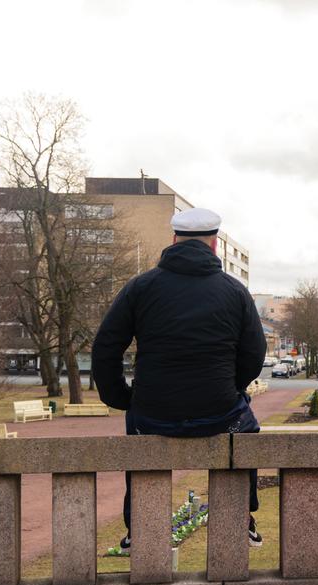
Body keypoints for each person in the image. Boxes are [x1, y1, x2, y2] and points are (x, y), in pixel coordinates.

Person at [92, 207, 266, 554]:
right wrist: (232, 388)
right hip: (221, 413)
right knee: (244, 429)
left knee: (139, 440)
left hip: (152, 414)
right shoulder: (235, 291)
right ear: (214, 245)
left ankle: (138, 528)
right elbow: (255, 353)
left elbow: (105, 347)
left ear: (173, 240)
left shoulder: (140, 288)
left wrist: (121, 398)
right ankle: (242, 518)